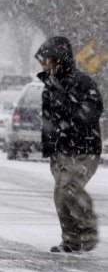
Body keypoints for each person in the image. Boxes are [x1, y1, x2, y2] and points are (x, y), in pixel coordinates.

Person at [35, 36, 103, 253]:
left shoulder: (82, 82)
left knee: (69, 189)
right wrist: (50, 145)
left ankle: (88, 231)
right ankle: (72, 239)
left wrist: (70, 123)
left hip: (83, 148)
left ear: (59, 59)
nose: (43, 64)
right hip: (60, 150)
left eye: (47, 59)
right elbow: (48, 119)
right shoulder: (49, 86)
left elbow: (94, 109)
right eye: (42, 60)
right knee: (61, 196)